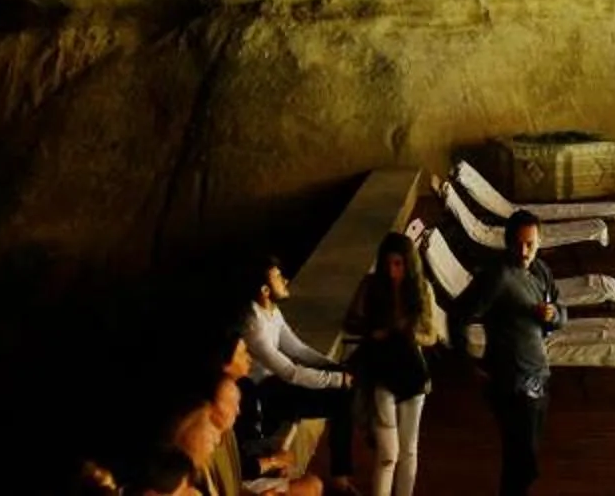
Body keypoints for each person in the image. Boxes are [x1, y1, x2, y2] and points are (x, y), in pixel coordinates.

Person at [456, 212, 565, 496]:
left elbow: (562, 312)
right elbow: (458, 314)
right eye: (518, 244)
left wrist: (553, 315)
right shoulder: (497, 277)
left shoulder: (541, 271)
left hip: (539, 376)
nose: (524, 251)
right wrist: (467, 361)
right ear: (507, 243)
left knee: (524, 461)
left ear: (540, 241)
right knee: (521, 459)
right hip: (510, 382)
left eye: (530, 244)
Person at [343, 231, 445, 496]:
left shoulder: (422, 289)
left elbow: (432, 333)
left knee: (409, 450)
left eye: (398, 264)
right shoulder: (371, 286)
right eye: (388, 264)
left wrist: (410, 334)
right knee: (388, 452)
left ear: (409, 264)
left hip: (412, 372)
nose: (392, 271)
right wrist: (376, 331)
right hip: (381, 373)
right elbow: (351, 320)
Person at [238, 257, 352, 485]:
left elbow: (298, 349)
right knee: (341, 400)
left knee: (344, 397)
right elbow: (290, 372)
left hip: (277, 385)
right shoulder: (254, 325)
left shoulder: (272, 311)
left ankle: (341, 473)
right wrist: (337, 379)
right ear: (265, 290)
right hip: (263, 396)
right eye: (278, 277)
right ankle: (341, 476)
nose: (285, 280)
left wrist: (333, 367)